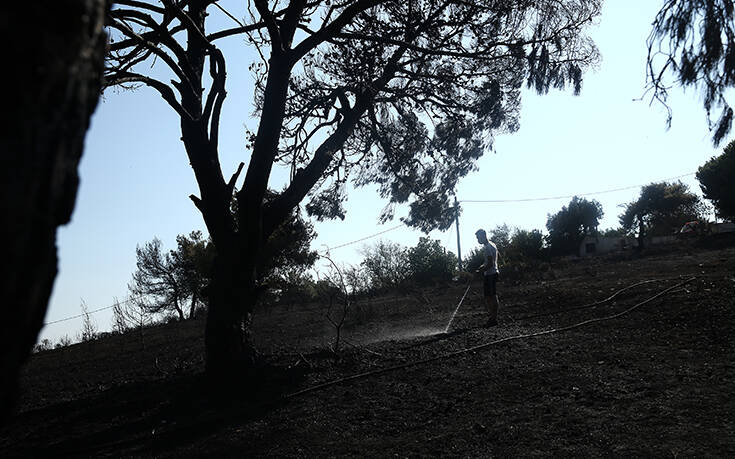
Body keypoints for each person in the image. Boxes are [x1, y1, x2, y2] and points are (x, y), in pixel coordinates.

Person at [475, 229, 500, 327]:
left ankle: (493, 318)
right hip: (490, 274)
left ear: (483, 235)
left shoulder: (488, 247)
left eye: (478, 237)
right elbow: (488, 262)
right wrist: (481, 267)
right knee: (488, 296)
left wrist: (481, 271)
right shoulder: (491, 245)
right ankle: (492, 317)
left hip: (491, 274)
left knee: (492, 296)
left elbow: (490, 264)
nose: (477, 240)